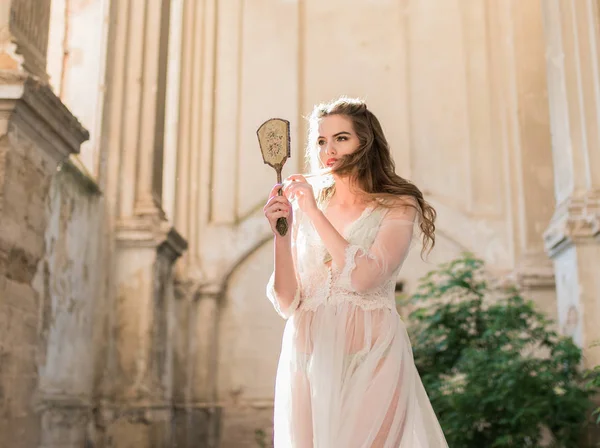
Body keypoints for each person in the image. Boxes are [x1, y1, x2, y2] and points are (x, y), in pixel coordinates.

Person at [263, 97, 449, 447]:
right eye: (321, 141)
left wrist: (313, 213)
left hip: (373, 355)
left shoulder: (398, 204)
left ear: (366, 142)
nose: (328, 150)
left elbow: (365, 278)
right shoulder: (304, 205)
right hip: (308, 358)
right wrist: (281, 233)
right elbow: (288, 302)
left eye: (341, 138)